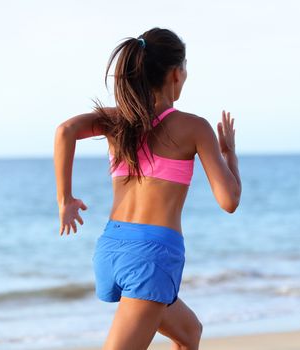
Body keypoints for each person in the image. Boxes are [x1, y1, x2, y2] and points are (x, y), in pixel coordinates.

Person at [53, 27, 241, 350]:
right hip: (151, 258)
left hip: (111, 249)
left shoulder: (118, 121)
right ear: (175, 74)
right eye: (185, 68)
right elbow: (229, 200)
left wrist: (65, 200)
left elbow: (65, 130)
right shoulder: (195, 128)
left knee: (189, 333)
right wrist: (229, 155)